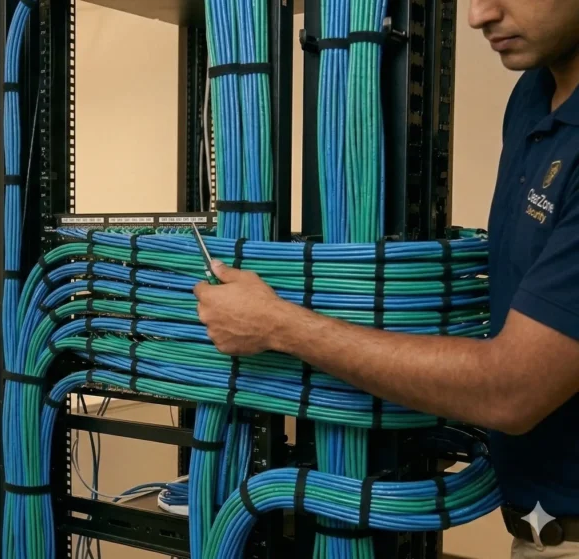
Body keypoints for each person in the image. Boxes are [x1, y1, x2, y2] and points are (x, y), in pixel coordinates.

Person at [193, 0, 579, 557]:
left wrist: (280, 326)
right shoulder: (534, 94)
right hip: (536, 529)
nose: (478, 15)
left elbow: (512, 388)